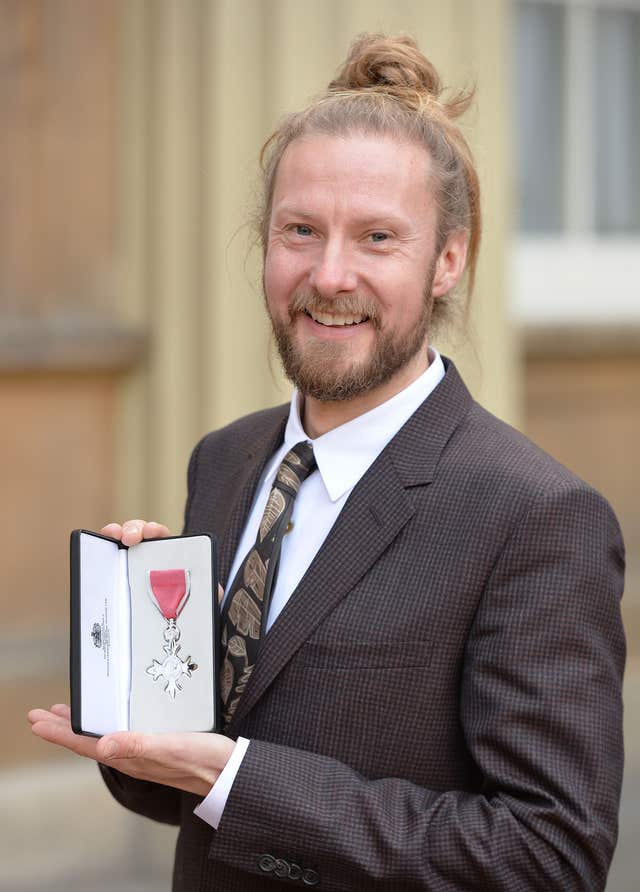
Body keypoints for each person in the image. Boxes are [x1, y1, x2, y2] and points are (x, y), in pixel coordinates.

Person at [29, 34, 625, 891]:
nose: (329, 274)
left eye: (377, 237)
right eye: (300, 230)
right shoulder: (228, 460)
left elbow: (548, 857)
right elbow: (198, 793)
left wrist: (233, 778)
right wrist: (142, 703)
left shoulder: (537, 517)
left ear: (447, 261)